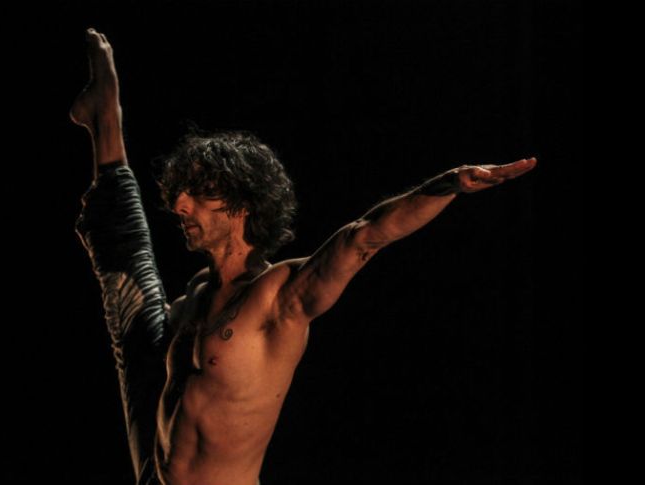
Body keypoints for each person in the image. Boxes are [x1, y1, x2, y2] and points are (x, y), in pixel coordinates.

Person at [70, 28, 537, 485]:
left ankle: (106, 114)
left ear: (242, 204)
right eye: (181, 194)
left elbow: (363, 238)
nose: (180, 205)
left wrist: (450, 183)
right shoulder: (195, 295)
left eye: (198, 194)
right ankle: (105, 117)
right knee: (132, 304)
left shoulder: (277, 297)